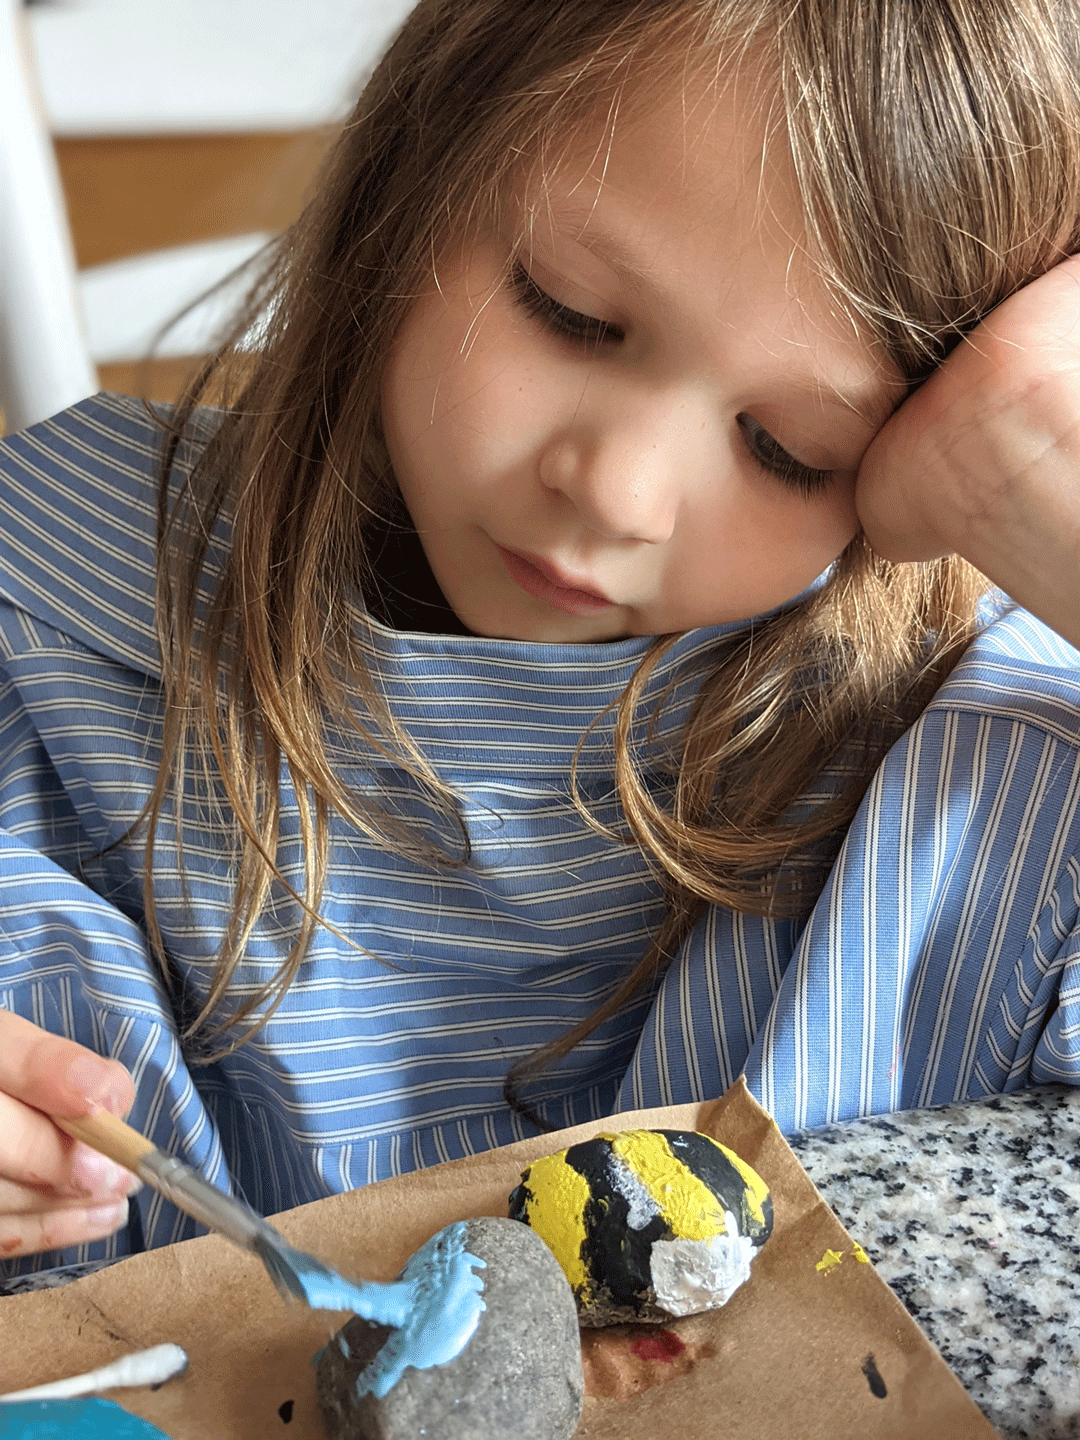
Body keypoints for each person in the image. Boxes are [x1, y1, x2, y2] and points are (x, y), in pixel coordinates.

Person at [2, 0, 1080, 1277]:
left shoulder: (990, 756)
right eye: (568, 311)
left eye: (790, 449)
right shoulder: (47, 637)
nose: (619, 491)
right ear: (418, 176)